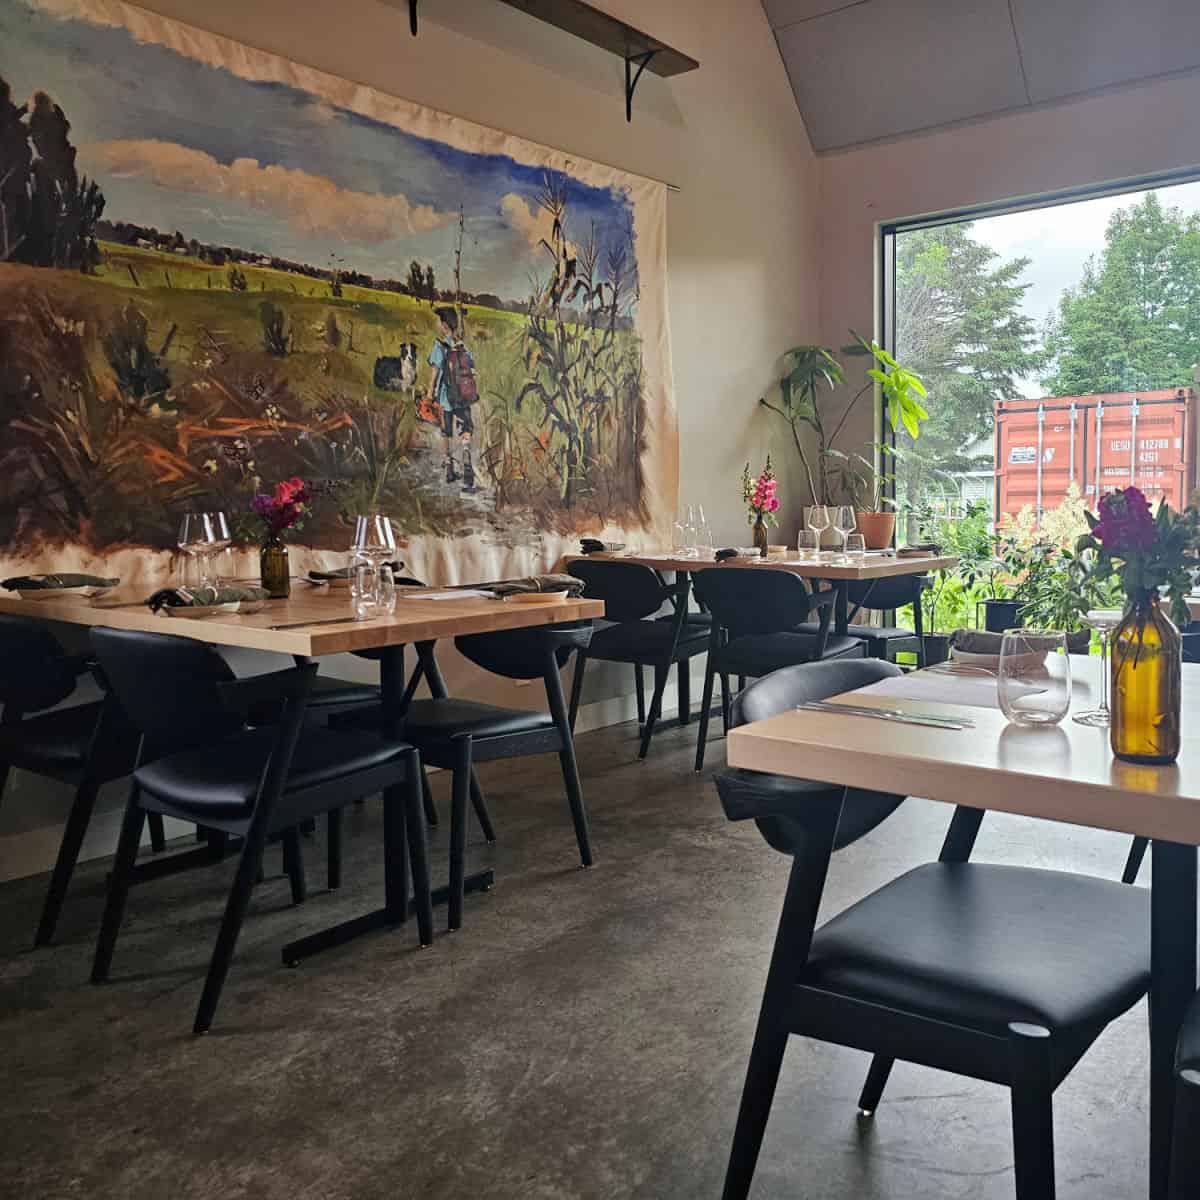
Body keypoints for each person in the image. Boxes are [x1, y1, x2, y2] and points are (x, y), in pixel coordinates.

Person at [427, 306, 477, 492]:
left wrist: (430, 393)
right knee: (465, 429)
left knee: (446, 432)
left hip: (446, 398)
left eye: (441, 322)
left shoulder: (440, 346)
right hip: (463, 397)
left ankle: (449, 468)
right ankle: (466, 462)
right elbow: (471, 371)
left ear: (445, 325)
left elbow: (435, 372)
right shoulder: (463, 347)